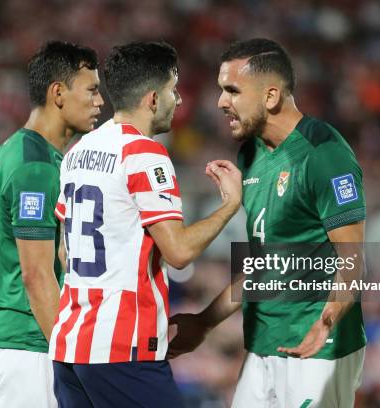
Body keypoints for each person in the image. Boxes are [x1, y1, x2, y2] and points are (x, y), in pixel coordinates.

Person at [168, 38, 367, 408]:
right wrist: (204, 322)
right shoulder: (251, 155)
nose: (220, 102)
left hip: (317, 352)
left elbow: (353, 261)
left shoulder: (325, 156)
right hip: (262, 346)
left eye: (232, 90)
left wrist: (325, 323)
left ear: (271, 96)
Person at [49, 41, 242, 408]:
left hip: (70, 346)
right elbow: (180, 252)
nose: (179, 100)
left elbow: (64, 252)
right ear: (153, 99)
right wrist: (230, 206)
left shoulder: (77, 151)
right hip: (123, 349)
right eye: (173, 90)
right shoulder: (144, 153)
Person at [0, 40, 104, 408]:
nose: (99, 102)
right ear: (58, 93)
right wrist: (71, 359)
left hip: (21, 341)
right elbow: (36, 275)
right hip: (26, 342)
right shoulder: (35, 165)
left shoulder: (25, 151)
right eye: (92, 90)